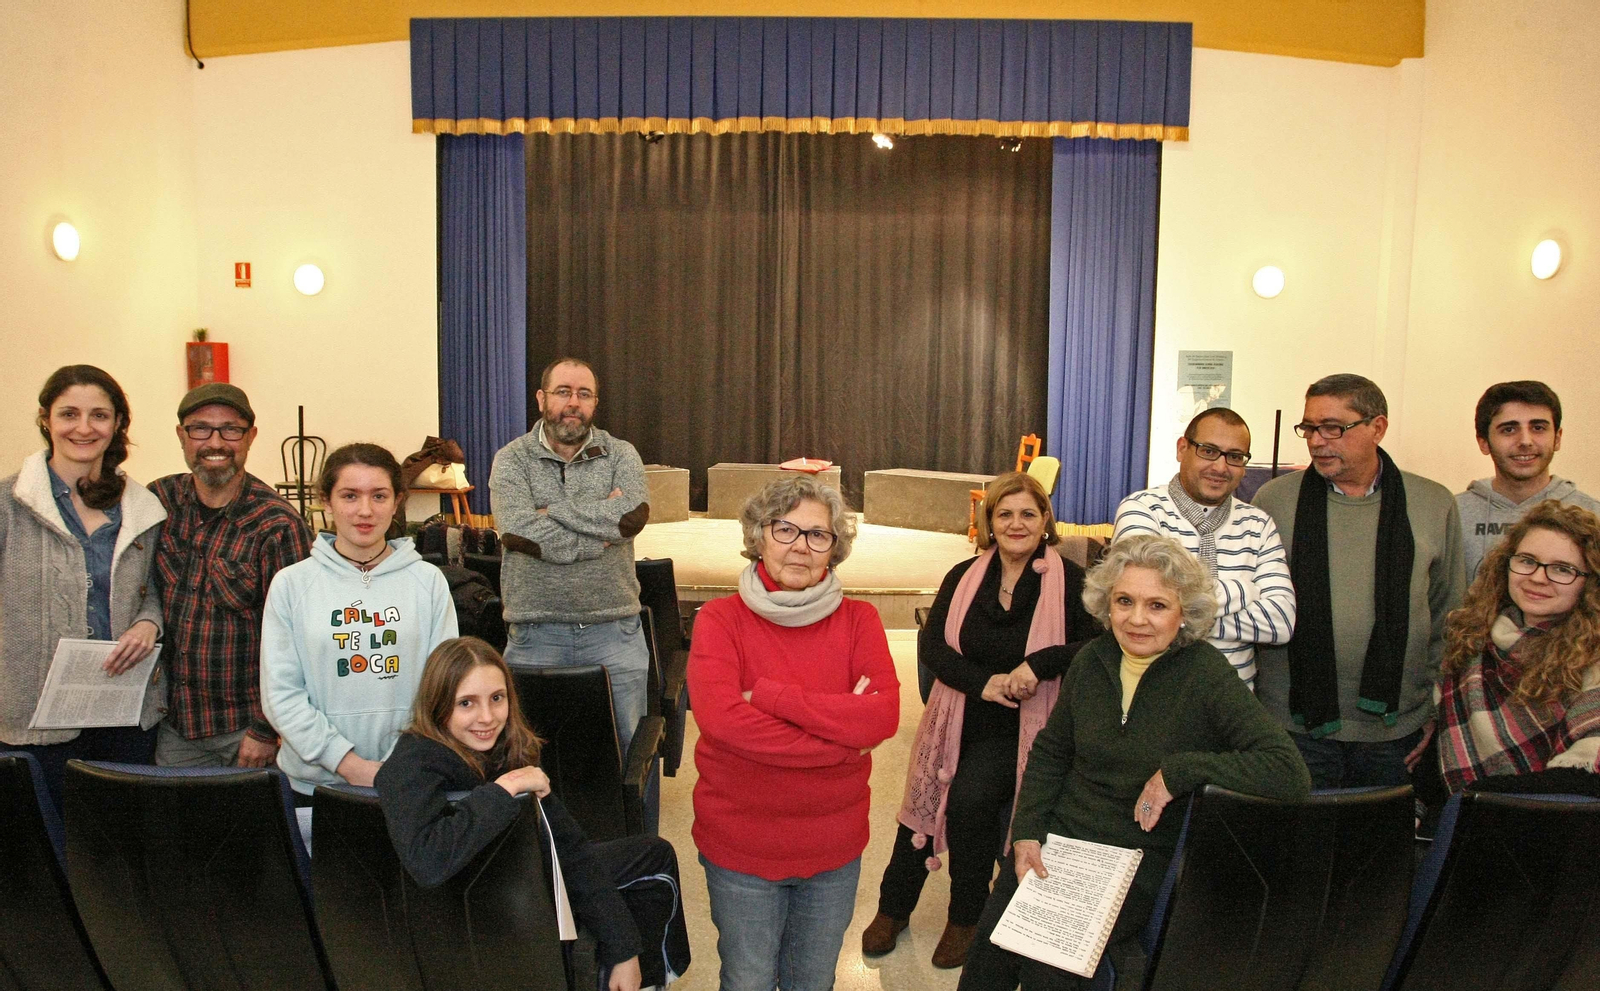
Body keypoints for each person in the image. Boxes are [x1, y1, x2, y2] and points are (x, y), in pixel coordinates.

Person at [957, 534, 1311, 991]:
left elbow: (1288, 771)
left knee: (1048, 967)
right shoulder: (1090, 660)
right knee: (986, 966)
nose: (1137, 619)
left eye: (1158, 605)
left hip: (1130, 861)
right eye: (1124, 601)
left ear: (1185, 611)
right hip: (1058, 844)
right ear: (1107, 605)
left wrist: (1179, 772)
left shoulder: (1205, 673)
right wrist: (1025, 833)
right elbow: (1051, 752)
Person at [865, 472, 1098, 968]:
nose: (1016, 524)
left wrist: (1040, 664)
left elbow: (1097, 645)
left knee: (968, 802)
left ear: (1045, 521)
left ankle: (966, 917)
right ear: (989, 521)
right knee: (921, 806)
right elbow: (932, 647)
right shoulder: (964, 575)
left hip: (1022, 727)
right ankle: (894, 907)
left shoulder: (1072, 582)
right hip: (957, 715)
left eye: (1028, 514)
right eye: (1005, 513)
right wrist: (983, 683)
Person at [375, 637, 690, 991]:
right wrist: (504, 789)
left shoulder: (508, 748)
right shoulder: (411, 764)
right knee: (642, 876)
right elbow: (427, 860)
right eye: (467, 703)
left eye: (497, 698)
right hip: (477, 915)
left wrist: (625, 950)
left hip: (524, 881)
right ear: (437, 706)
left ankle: (636, 978)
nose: (487, 717)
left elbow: (571, 851)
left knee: (653, 855)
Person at [689, 475, 900, 991]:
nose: (801, 547)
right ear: (759, 535)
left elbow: (881, 717)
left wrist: (771, 698)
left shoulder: (860, 620)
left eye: (818, 535)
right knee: (748, 981)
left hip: (832, 848)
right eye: (785, 530)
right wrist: (840, 737)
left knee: (813, 982)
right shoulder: (719, 620)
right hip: (741, 846)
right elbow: (721, 719)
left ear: (835, 548)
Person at [1253, 373, 1465, 790]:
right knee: (1299, 850)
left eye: (1333, 427)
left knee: (1376, 851)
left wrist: (1436, 710)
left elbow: (1449, 616)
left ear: (1377, 428)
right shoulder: (1274, 500)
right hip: (1292, 727)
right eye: (1309, 428)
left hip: (1394, 731)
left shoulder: (1433, 503)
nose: (1317, 440)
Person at [0, 365, 167, 807]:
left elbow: (157, 588)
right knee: (43, 859)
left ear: (117, 425)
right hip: (33, 723)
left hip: (125, 717)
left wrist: (150, 623)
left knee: (120, 857)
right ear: (45, 419)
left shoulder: (143, 509)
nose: (84, 428)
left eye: (99, 415)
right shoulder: (7, 507)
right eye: (69, 414)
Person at [261, 443, 457, 800]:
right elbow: (281, 694)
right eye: (350, 496)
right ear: (326, 500)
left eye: (379, 496)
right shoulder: (291, 585)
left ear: (397, 501)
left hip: (408, 777)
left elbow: (442, 689)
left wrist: (398, 763)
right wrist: (349, 765)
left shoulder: (428, 582)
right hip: (315, 785)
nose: (364, 511)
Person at [489, 357, 652, 754]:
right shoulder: (511, 459)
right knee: (527, 758)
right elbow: (518, 532)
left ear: (595, 403)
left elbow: (631, 518)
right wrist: (598, 533)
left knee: (630, 757)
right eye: (563, 392)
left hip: (615, 631)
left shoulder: (621, 454)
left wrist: (553, 511)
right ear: (542, 398)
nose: (573, 402)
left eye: (584, 394)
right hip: (534, 635)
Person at [149, 383, 313, 768]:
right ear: (181, 436)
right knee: (175, 829)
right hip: (175, 727)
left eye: (231, 429)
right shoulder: (158, 502)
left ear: (250, 437)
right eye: (201, 428)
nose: (215, 441)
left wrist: (265, 729)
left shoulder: (278, 525)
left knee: (253, 829)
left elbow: (299, 639)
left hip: (246, 734)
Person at [1113, 407, 1297, 687]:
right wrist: (1244, 590)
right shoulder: (1142, 510)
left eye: (1234, 456)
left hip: (1235, 704)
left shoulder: (1258, 524)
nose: (1221, 467)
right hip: (1155, 696)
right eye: (1208, 451)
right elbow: (1145, 602)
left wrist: (1177, 613)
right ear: (1182, 449)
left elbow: (1280, 623)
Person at [1433, 501, 1600, 797]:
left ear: (1590, 584)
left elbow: (1587, 781)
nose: (1537, 577)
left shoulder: (1594, 657)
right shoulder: (1472, 642)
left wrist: (1476, 796)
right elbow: (1435, 764)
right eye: (1527, 560)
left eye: (1562, 569)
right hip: (1471, 827)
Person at [1457, 381, 1599, 579]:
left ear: (1557, 438)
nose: (1525, 441)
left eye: (1538, 428)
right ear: (1483, 443)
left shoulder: (1593, 516)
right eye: (1509, 430)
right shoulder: (1452, 514)